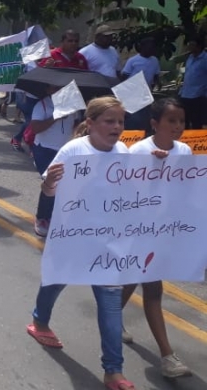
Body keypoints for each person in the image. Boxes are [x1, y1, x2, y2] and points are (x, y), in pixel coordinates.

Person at [29, 96, 134, 390]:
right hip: (73, 240)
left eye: (120, 122)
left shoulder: (125, 152)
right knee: (54, 283)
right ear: (90, 124)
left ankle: (113, 370)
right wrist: (51, 183)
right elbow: (48, 192)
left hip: (109, 244)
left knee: (111, 304)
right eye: (109, 121)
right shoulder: (73, 150)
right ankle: (39, 321)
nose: (117, 127)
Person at [121, 98, 192, 378]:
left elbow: (185, 188)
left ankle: (111, 319)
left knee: (130, 281)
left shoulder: (184, 150)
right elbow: (129, 195)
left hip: (165, 230)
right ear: (154, 123)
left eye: (182, 122)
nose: (177, 127)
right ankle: (167, 357)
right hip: (139, 229)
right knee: (153, 289)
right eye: (171, 121)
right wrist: (155, 168)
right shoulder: (140, 151)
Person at [28, 87, 80, 237]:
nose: (60, 89)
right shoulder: (42, 105)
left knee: (65, 184)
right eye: (56, 87)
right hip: (44, 150)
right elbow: (35, 128)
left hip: (65, 150)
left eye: (63, 87)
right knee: (51, 183)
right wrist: (56, 117)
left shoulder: (72, 102)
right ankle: (42, 218)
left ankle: (56, 215)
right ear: (49, 89)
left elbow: (77, 123)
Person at [120, 37, 161, 131]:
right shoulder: (133, 60)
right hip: (132, 93)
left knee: (144, 116)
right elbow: (124, 76)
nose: (151, 50)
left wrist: (158, 82)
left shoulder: (155, 60)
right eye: (149, 47)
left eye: (153, 48)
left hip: (146, 93)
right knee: (132, 116)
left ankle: (143, 132)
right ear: (142, 47)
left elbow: (156, 74)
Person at [179, 38, 207, 129]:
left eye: (192, 45)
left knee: (196, 122)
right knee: (184, 121)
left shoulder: (205, 59)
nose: (189, 47)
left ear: (199, 46)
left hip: (198, 95)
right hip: (185, 94)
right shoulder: (190, 57)